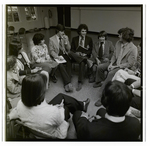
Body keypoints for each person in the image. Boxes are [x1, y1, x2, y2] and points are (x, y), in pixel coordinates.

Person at [8, 74, 90, 139]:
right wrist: (60, 108)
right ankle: (81, 108)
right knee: (66, 107)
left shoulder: (20, 104)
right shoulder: (53, 112)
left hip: (38, 117)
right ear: (40, 93)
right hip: (53, 131)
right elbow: (60, 119)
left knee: (61, 96)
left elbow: (15, 112)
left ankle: (82, 105)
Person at [73, 81, 141, 140]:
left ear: (104, 101)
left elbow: (85, 131)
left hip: (96, 132)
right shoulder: (136, 123)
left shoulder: (90, 130)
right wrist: (102, 120)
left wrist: (84, 117)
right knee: (101, 111)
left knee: (77, 114)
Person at [94, 27, 137, 107]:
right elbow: (114, 55)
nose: (118, 36)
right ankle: (99, 81)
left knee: (110, 74)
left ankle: (102, 96)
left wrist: (116, 66)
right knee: (100, 67)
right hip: (114, 63)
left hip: (122, 67)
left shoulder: (133, 48)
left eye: (119, 35)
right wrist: (111, 64)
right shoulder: (118, 43)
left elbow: (130, 64)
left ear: (124, 36)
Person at [68, 24, 93, 91]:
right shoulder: (74, 39)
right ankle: (85, 60)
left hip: (84, 56)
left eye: (85, 31)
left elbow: (90, 50)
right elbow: (72, 49)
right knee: (70, 53)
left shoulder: (89, 39)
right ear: (79, 31)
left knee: (82, 62)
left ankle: (80, 82)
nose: (84, 33)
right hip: (76, 56)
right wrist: (77, 53)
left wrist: (85, 54)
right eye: (82, 31)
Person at [49, 24, 73, 92]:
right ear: (57, 31)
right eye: (61, 31)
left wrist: (66, 42)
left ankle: (68, 81)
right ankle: (67, 83)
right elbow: (51, 51)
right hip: (57, 55)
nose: (63, 33)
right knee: (60, 65)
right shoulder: (51, 39)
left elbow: (69, 49)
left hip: (64, 54)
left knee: (69, 61)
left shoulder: (65, 37)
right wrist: (57, 57)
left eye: (63, 31)